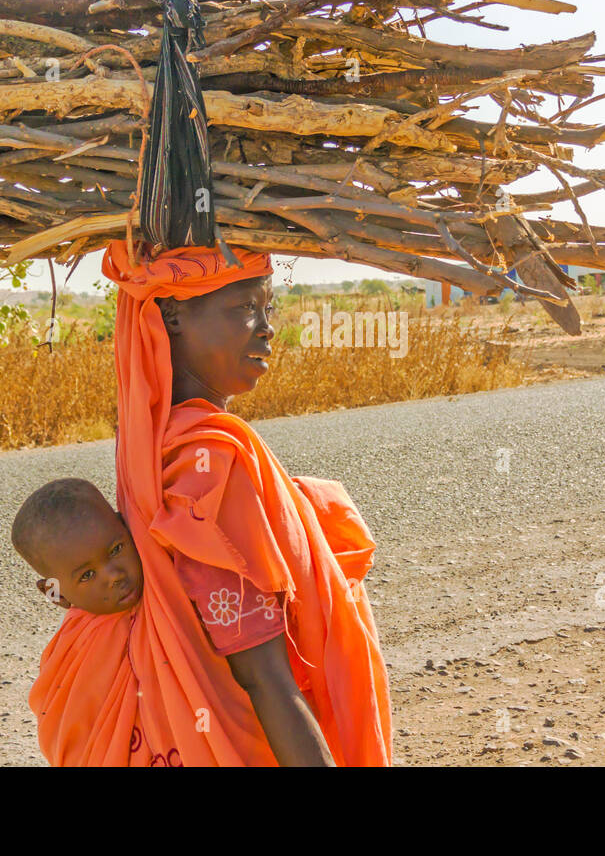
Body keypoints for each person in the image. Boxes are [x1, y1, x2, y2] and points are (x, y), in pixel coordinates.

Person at [25, 240, 393, 766]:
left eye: (268, 307)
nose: (266, 327)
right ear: (171, 317)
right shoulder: (208, 462)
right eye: (244, 308)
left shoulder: (153, 439)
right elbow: (265, 679)